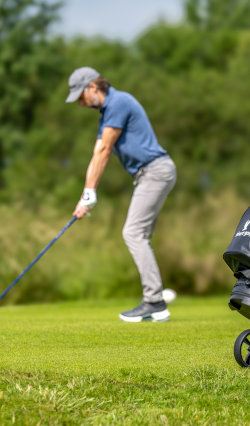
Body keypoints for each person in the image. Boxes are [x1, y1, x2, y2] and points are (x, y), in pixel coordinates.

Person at [66, 67, 177, 323]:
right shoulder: (107, 113)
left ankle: (154, 302)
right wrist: (86, 195)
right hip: (151, 173)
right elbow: (97, 153)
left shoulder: (118, 102)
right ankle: (155, 297)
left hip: (155, 171)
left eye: (81, 97)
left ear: (93, 86)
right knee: (141, 236)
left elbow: (105, 150)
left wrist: (90, 191)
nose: (81, 104)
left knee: (132, 233)